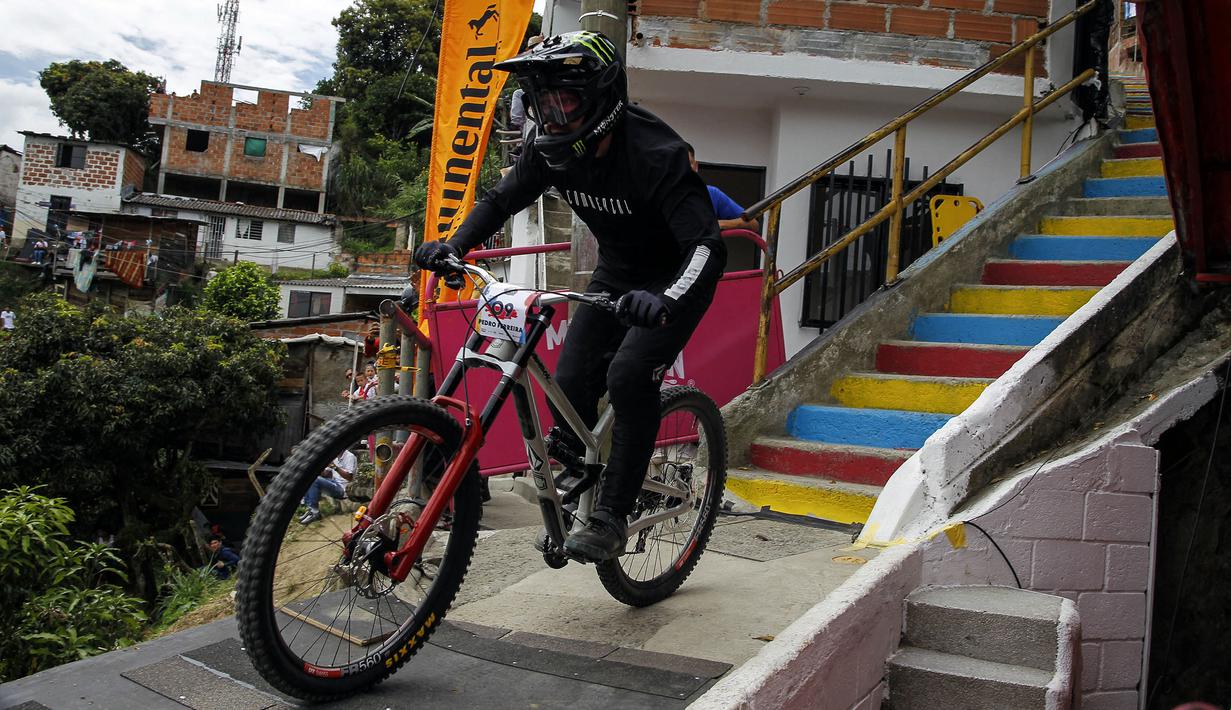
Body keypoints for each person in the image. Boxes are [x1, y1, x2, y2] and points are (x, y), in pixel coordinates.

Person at [414, 31, 726, 562]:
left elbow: (707, 248)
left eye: (563, 101)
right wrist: (456, 245)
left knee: (628, 377)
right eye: (541, 104)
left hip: (675, 279)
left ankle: (610, 517)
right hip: (616, 273)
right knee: (570, 378)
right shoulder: (551, 151)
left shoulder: (657, 154)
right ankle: (581, 471)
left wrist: (666, 300)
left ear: (602, 96)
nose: (551, 117)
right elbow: (502, 199)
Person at [685, 144, 760, 232]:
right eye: (678, 164)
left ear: (696, 166)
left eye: (688, 163)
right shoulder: (665, 194)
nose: (684, 169)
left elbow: (753, 224)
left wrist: (721, 224)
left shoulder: (711, 193)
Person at [300, 448, 358, 524]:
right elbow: (325, 473)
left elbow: (349, 477)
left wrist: (334, 467)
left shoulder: (350, 456)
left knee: (315, 480)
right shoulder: (335, 456)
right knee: (310, 477)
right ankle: (310, 509)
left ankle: (315, 512)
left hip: (343, 489)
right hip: (334, 483)